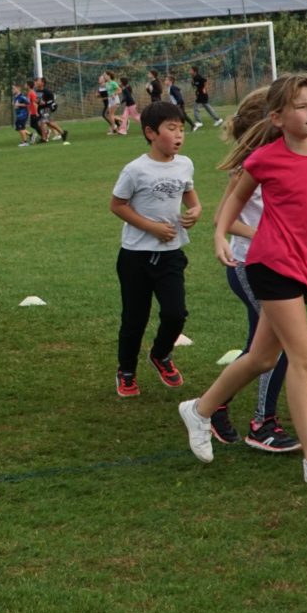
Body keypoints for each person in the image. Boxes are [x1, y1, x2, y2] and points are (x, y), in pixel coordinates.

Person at [179, 73, 307, 486]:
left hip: (303, 265)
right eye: (301, 106)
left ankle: (200, 409)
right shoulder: (265, 159)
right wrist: (218, 236)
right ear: (278, 118)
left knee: (262, 358)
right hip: (269, 264)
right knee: (304, 356)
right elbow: (236, 199)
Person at [210, 88, 299, 453]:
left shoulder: (283, 158)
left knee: (258, 348)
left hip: (279, 264)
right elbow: (223, 220)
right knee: (282, 344)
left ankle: (215, 405)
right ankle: (262, 424)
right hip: (251, 266)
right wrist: (266, 234)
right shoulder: (251, 166)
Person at [110, 101, 201, 398]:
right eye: (171, 129)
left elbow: (190, 195)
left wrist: (196, 210)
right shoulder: (135, 170)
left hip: (172, 254)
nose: (178, 136)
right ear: (150, 132)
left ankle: (160, 355)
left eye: (181, 129)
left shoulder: (184, 163)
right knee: (134, 319)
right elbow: (117, 206)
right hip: (135, 256)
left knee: (176, 314)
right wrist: (151, 227)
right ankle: (126, 371)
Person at [35, 77, 68, 144]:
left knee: (43, 122)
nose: (36, 82)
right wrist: (37, 102)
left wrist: (45, 103)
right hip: (41, 109)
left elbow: (52, 101)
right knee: (48, 122)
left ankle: (44, 139)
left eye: (38, 81)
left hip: (47, 109)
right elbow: (37, 100)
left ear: (42, 83)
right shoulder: (37, 91)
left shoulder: (47, 92)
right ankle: (62, 132)